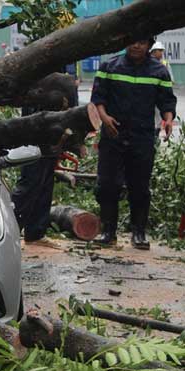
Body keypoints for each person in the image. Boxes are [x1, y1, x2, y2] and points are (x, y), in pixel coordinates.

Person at [91, 36, 177, 249]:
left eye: (142, 42)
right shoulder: (109, 67)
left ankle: (139, 233)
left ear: (149, 45)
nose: (136, 45)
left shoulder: (159, 71)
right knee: (107, 185)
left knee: (139, 186)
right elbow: (98, 98)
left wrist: (168, 120)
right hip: (113, 135)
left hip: (142, 137)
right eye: (133, 40)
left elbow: (166, 101)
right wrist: (104, 118)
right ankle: (108, 232)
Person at [11, 75, 80, 248]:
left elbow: (73, 114)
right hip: (34, 139)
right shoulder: (33, 82)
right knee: (29, 185)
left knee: (45, 186)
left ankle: (35, 233)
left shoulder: (66, 82)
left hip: (54, 141)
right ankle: (11, 231)